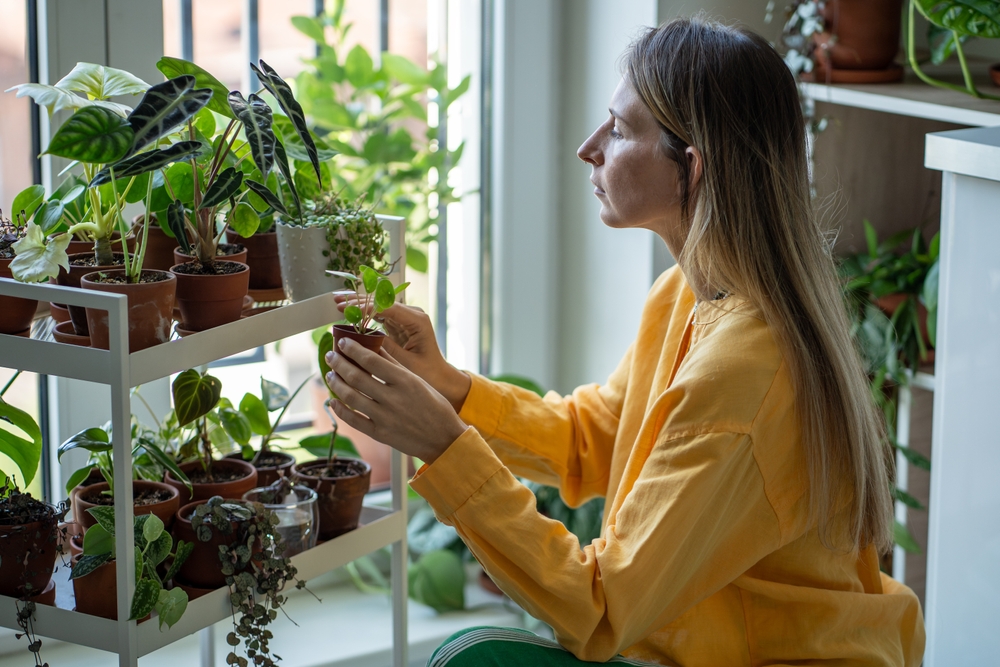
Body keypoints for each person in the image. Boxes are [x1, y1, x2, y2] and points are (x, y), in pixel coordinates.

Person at [324, 16, 925, 667]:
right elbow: (595, 438)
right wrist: (451, 386)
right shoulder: (683, 296)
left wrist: (444, 444)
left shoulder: (745, 371)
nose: (589, 147)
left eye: (619, 129)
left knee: (470, 657)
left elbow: (602, 608)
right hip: (693, 645)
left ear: (691, 168)